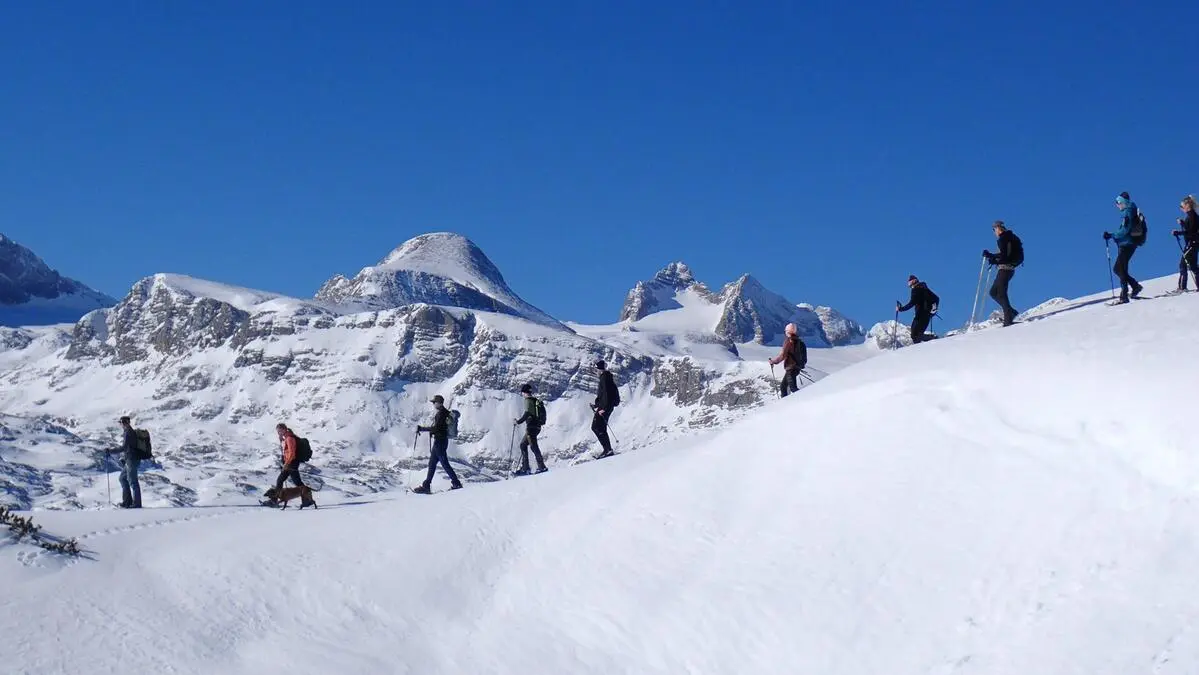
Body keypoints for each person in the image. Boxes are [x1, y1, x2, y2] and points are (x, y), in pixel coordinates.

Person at [414, 395, 462, 493]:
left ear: (439, 403)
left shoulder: (441, 414)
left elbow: (437, 428)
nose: (433, 404)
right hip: (440, 441)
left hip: (440, 442)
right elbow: (439, 428)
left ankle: (456, 483)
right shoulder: (443, 413)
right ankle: (426, 486)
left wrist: (423, 429)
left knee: (444, 463)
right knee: (432, 464)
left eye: (434, 402)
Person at [1104, 192, 1144, 304]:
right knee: (1121, 268)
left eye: (1118, 202)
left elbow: (1125, 230)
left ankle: (1125, 295)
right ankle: (1134, 287)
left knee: (1118, 268)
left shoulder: (1128, 213)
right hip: (1128, 243)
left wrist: (1112, 235)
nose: (1117, 205)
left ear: (1123, 202)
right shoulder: (1131, 210)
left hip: (1127, 244)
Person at [982, 220, 1021, 326]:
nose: (994, 232)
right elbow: (1004, 254)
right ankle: (1011, 312)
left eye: (994, 229)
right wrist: (993, 257)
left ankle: (1008, 319)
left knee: (1001, 292)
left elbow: (1004, 256)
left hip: (1005, 269)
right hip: (1008, 269)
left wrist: (993, 258)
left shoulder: (1003, 239)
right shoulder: (1009, 237)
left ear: (998, 228)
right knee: (993, 292)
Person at [270, 423, 314, 507]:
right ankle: (307, 500)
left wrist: (286, 464)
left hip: (291, 463)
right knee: (288, 481)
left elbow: (292, 453)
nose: (278, 433)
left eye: (279, 431)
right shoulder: (287, 438)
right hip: (290, 463)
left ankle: (307, 500)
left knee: (293, 482)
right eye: (277, 431)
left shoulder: (289, 438)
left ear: (284, 429)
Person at [512, 383, 548, 476]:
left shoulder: (528, 400)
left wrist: (518, 422)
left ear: (524, 392)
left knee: (533, 446)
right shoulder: (535, 400)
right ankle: (526, 467)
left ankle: (541, 467)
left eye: (522, 392)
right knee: (523, 444)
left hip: (531, 427)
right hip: (537, 426)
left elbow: (527, 413)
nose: (522, 394)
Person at [896, 275, 939, 344]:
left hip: (920, 315)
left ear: (913, 281)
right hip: (927, 315)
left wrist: (901, 309)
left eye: (909, 282)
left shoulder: (916, 289)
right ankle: (933, 339)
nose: (909, 285)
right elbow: (936, 298)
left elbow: (912, 302)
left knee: (915, 336)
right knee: (917, 335)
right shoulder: (925, 288)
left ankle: (934, 339)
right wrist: (934, 310)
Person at [768, 323, 807, 397]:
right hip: (797, 368)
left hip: (791, 368)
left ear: (788, 332)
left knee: (790, 388)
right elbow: (804, 357)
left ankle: (807, 400)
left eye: (786, 331)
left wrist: (773, 361)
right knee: (784, 387)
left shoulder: (789, 341)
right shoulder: (800, 342)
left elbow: (783, 355)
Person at [591, 360, 619, 458]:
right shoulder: (605, 377)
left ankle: (607, 450)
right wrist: (596, 405)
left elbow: (607, 394)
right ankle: (607, 450)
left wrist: (603, 408)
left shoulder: (605, 378)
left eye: (596, 369)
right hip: (605, 406)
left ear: (599, 369)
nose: (595, 371)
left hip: (605, 407)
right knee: (600, 427)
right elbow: (603, 395)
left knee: (596, 427)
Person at [1172, 195, 1199, 293]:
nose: (1181, 208)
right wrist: (1183, 223)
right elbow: (1191, 229)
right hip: (1194, 243)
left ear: (1187, 205)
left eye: (1182, 206)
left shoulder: (1192, 215)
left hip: (1192, 243)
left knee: (1183, 265)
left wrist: (1178, 231)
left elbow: (1191, 231)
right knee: (1193, 266)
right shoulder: (1192, 215)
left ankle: (1182, 287)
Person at [114, 416, 142, 509]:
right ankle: (127, 502)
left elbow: (124, 447)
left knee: (133, 481)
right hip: (130, 460)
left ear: (124, 422)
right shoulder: (129, 432)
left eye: (121, 422)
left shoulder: (128, 433)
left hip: (132, 460)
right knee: (122, 478)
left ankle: (136, 504)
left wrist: (110, 451)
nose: (120, 424)